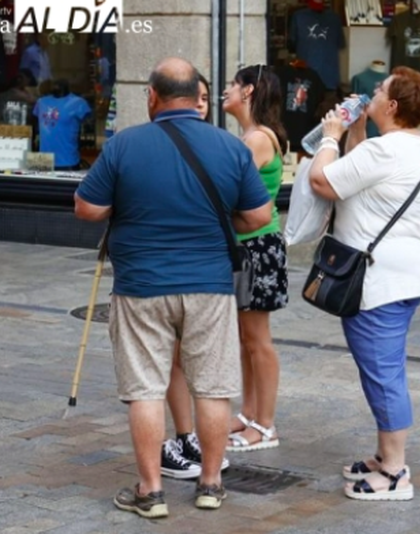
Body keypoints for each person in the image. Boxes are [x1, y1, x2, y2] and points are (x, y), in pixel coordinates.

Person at [74, 57, 272, 518]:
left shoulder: (125, 145)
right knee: (213, 388)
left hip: (141, 285)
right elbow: (259, 216)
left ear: (152, 96)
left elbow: (85, 208)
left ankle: (151, 491)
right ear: (197, 99)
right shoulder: (230, 146)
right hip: (210, 286)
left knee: (145, 388)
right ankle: (210, 483)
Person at [308, 66, 420, 501]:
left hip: (380, 279)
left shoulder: (387, 151)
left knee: (383, 374)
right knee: (384, 367)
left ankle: (396, 473)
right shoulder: (417, 146)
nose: (372, 92)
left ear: (394, 105)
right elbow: (360, 174)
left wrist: (329, 135)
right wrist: (356, 132)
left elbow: (323, 180)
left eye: (379, 90)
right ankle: (385, 456)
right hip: (407, 271)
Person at [160, 74, 232, 479]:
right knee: (176, 363)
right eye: (198, 97)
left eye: (207, 98)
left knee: (203, 372)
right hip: (187, 274)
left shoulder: (221, 146)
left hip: (199, 273)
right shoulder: (149, 144)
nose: (203, 105)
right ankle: (188, 441)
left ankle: (201, 457)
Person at [221, 64, 289, 452]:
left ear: (249, 91)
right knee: (248, 339)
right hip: (248, 245)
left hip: (257, 246)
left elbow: (225, 187)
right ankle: (249, 414)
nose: (226, 91)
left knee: (258, 340)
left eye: (234, 84)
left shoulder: (257, 140)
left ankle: (265, 425)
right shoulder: (250, 135)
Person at [33, 79, 92, 170]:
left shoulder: (78, 103)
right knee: (42, 184)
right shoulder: (41, 102)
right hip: (43, 160)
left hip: (68, 160)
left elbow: (88, 121)